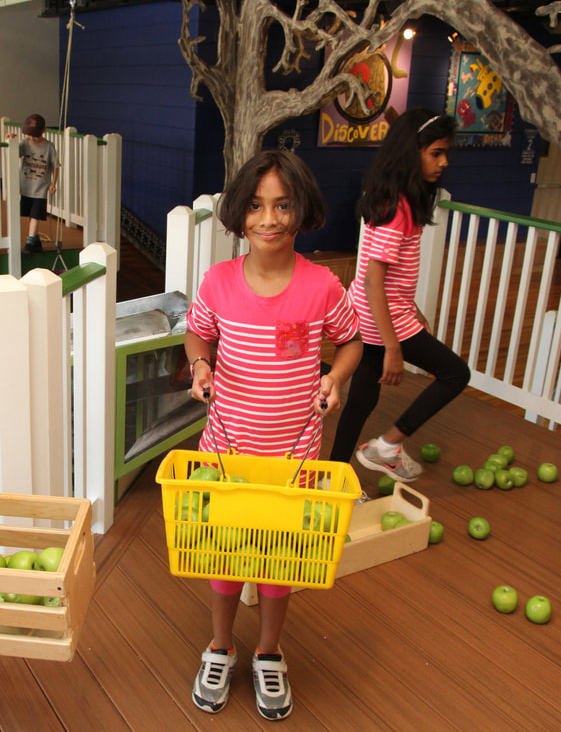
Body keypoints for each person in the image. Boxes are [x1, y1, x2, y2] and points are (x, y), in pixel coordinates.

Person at [185, 150, 362, 721]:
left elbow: (353, 340)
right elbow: (197, 336)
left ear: (301, 210)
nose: (269, 219)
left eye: (282, 205)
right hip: (226, 452)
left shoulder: (321, 285)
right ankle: (219, 647)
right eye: (257, 206)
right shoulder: (218, 282)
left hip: (295, 455)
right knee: (224, 557)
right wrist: (200, 366)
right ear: (238, 214)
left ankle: (267, 652)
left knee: (278, 563)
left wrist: (334, 377)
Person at [329, 108, 471, 485]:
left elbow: (389, 277)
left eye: (445, 154)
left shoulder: (392, 198)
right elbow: (376, 280)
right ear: (413, 152)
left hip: (374, 311)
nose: (444, 162)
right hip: (382, 317)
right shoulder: (400, 210)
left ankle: (333, 476)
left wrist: (415, 307)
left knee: (362, 399)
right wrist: (393, 345)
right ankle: (388, 446)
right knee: (456, 374)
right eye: (436, 153)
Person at [14, 113, 59, 254]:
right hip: (26, 186)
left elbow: (55, 166)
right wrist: (10, 140)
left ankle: (30, 241)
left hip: (41, 188)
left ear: (43, 131)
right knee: (30, 214)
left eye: (35, 135)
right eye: (29, 135)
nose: (32, 138)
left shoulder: (49, 147)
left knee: (35, 215)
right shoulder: (25, 144)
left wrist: (53, 183)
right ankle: (37, 240)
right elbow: (14, 151)